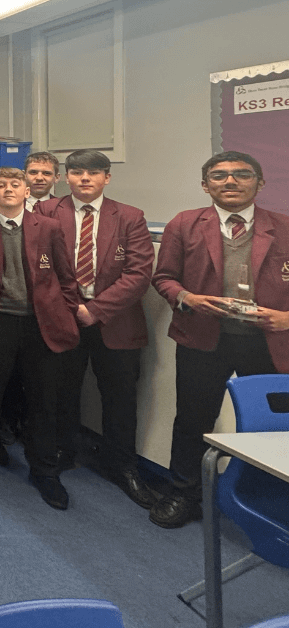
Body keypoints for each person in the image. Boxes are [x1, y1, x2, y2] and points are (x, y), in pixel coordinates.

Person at [150, 150, 289, 528]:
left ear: (260, 183)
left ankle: (265, 498)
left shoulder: (285, 227)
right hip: (202, 337)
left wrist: (286, 318)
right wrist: (187, 298)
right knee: (193, 419)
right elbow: (163, 279)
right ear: (205, 185)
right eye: (219, 175)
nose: (230, 181)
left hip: (268, 342)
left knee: (270, 424)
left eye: (241, 174)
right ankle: (183, 493)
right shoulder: (184, 224)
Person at [35, 149, 156, 511]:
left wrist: (96, 310)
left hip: (116, 323)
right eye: (76, 172)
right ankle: (62, 452)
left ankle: (122, 465)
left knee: (120, 398)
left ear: (107, 177)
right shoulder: (45, 212)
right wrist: (70, 309)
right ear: (65, 177)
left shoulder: (130, 217)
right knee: (61, 391)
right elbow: (39, 267)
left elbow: (139, 274)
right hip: (63, 318)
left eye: (93, 172)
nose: (84, 178)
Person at [0, 167, 79, 510]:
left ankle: (44, 469)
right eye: (0, 185)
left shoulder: (50, 227)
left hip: (40, 323)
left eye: (15, 184)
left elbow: (65, 276)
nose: (8, 189)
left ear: (27, 191)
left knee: (43, 397)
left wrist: (67, 313)